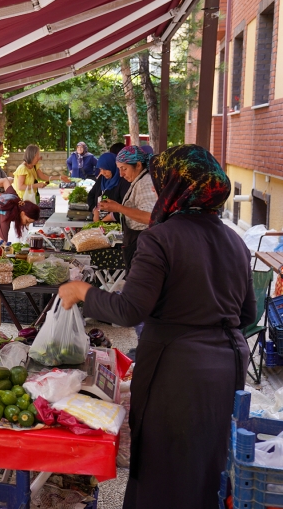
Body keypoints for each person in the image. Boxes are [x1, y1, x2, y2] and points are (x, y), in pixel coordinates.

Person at [58, 145, 254, 509]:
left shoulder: (160, 238)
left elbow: (130, 309)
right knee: (206, 466)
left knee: (164, 467)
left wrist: (84, 290)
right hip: (227, 368)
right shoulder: (235, 241)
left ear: (173, 186)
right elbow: (247, 315)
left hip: (177, 373)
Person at [99, 145, 158, 273]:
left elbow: (149, 217)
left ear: (137, 165)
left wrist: (118, 208)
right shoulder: (139, 180)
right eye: (119, 169)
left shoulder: (146, 183)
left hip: (143, 244)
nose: (121, 174)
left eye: (124, 169)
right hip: (136, 241)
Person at [87, 152, 131, 222]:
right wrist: (95, 211)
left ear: (113, 166)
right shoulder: (102, 179)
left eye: (106, 169)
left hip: (116, 224)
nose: (103, 172)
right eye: (101, 169)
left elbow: (125, 206)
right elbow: (91, 195)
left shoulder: (123, 182)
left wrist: (104, 221)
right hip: (99, 221)